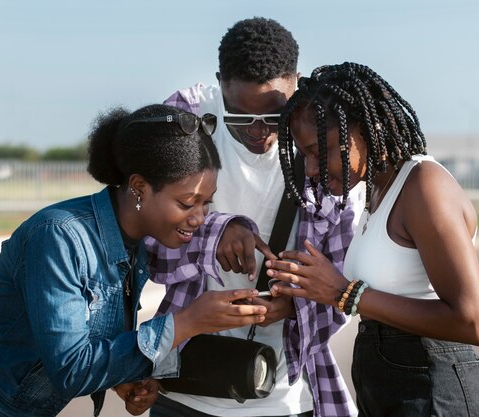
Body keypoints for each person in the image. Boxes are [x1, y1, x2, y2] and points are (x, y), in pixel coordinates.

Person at [0, 104, 269, 417]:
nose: (199, 218)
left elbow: (89, 337)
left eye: (206, 203)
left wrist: (120, 380)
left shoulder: (133, 243)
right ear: (139, 187)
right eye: (187, 203)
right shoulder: (60, 237)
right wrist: (186, 323)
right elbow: (70, 370)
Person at [149, 17, 359, 417]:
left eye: (275, 117)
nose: (260, 132)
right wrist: (216, 230)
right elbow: (144, 243)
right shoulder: (186, 118)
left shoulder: (325, 137)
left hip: (287, 395)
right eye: (241, 118)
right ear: (220, 83)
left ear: (296, 83)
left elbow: (346, 274)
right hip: (186, 387)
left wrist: (293, 308)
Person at [266, 62, 479, 416]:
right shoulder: (375, 190)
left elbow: (473, 322)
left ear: (363, 129)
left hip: (435, 393)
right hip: (391, 388)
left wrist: (344, 293)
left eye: (320, 151)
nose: (310, 169)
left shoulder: (424, 186)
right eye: (305, 155)